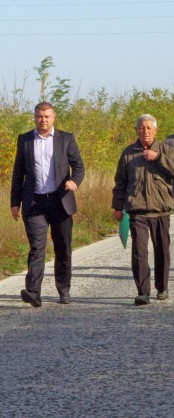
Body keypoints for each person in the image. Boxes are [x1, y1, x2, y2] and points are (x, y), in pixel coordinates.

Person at [10, 102, 85, 307]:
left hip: (60, 201)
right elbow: (18, 174)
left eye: (47, 116)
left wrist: (74, 182)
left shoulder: (66, 138)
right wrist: (14, 202)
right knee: (37, 247)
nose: (43, 120)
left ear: (53, 117)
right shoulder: (25, 140)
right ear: (34, 117)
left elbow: (78, 166)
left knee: (63, 247)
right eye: (39, 116)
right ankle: (33, 292)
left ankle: (64, 289)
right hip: (35, 202)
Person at [112, 114, 174, 305]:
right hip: (137, 211)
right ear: (136, 130)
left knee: (162, 250)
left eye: (149, 128)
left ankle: (162, 287)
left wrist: (158, 158)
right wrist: (118, 207)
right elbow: (120, 182)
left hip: (160, 210)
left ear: (155, 130)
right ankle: (143, 292)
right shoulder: (128, 153)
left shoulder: (165, 150)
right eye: (141, 128)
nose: (145, 131)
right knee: (139, 252)